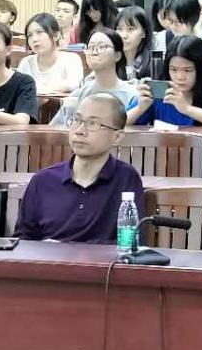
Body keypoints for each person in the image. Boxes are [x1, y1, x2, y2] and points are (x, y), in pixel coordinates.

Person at [17, 94, 145, 243]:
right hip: (49, 257)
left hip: (103, 259)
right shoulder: (43, 180)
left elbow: (131, 241)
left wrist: (70, 250)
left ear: (117, 137)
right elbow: (22, 239)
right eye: (76, 120)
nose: (79, 130)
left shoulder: (126, 178)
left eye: (93, 124)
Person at [130, 35, 202, 127]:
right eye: (173, 69)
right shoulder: (159, 90)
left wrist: (186, 109)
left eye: (187, 70)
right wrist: (140, 108)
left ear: (201, 69)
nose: (180, 77)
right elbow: (121, 123)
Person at [50, 28, 139, 126]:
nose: (94, 52)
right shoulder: (78, 95)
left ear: (117, 55)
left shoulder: (132, 95)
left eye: (102, 47)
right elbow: (54, 129)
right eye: (90, 47)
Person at [17, 13, 85, 94]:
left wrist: (44, 91)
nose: (34, 39)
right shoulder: (26, 62)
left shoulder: (71, 59)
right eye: (30, 35)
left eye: (40, 32)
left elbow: (74, 84)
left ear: (56, 35)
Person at [115, 6, 153, 82]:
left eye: (130, 29)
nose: (123, 35)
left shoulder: (153, 64)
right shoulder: (111, 62)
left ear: (144, 32)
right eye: (119, 29)